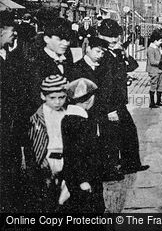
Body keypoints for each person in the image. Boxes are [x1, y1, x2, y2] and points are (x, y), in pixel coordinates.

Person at [98, 19, 148, 178]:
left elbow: (132, 66)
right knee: (110, 137)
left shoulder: (116, 53)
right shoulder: (102, 55)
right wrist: (109, 109)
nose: (113, 40)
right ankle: (110, 170)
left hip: (119, 100)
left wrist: (125, 54)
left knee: (128, 132)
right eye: (109, 37)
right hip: (109, 103)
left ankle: (130, 164)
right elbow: (104, 82)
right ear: (101, 36)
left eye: (115, 37)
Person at [61, 78, 104, 214]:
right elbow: (76, 154)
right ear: (89, 99)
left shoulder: (67, 119)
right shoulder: (83, 123)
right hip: (86, 180)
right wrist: (83, 180)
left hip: (76, 179)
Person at [27, 75, 69, 213]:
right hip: (47, 161)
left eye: (61, 97)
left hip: (65, 160)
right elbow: (35, 144)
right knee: (47, 201)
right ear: (43, 96)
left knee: (65, 203)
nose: (57, 102)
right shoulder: (37, 118)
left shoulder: (68, 114)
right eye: (52, 98)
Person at [0, 11, 24, 212]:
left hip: (10, 121)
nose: (14, 34)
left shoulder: (9, 53)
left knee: (11, 162)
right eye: (11, 31)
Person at [146, 32, 162, 108]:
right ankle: (152, 102)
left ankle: (158, 101)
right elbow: (152, 61)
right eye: (160, 41)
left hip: (159, 70)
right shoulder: (151, 49)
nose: (161, 42)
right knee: (153, 85)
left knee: (160, 85)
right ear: (155, 41)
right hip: (153, 70)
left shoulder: (157, 48)